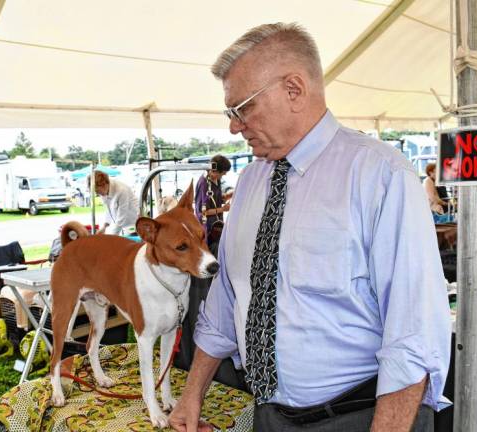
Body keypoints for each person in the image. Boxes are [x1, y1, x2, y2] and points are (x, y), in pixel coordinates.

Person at [169, 23, 450, 432]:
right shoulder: (250, 183)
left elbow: (413, 331)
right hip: (269, 413)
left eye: (242, 108)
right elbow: (226, 302)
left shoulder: (379, 175)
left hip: (362, 415)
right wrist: (191, 396)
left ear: (294, 90)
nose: (233, 126)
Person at [195, 155, 233, 252]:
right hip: (208, 229)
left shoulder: (216, 179)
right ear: (214, 171)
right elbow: (203, 212)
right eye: (222, 174)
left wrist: (228, 195)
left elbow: (215, 199)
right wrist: (223, 209)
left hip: (217, 225)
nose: (223, 176)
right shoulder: (203, 184)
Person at [89, 170, 138, 235]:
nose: (98, 194)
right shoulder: (104, 191)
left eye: (98, 191)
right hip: (122, 225)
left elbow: (121, 217)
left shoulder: (121, 190)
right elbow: (108, 209)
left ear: (104, 185)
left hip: (132, 224)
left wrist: (112, 237)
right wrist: (104, 227)